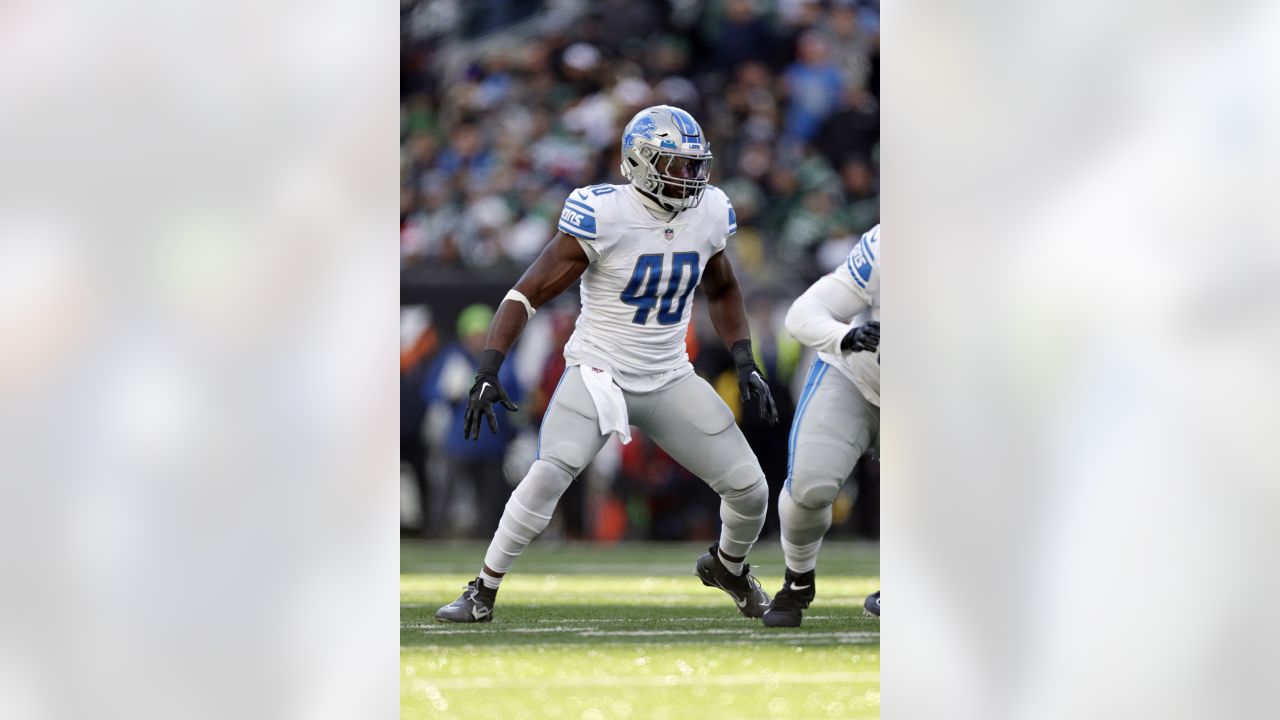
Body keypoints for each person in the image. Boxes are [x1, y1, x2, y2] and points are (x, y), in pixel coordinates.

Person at [436, 105, 780, 623]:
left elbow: (724, 287)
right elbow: (525, 293)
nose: (691, 178)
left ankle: (728, 567)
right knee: (549, 474)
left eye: (694, 165)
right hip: (600, 375)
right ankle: (482, 589)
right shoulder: (604, 214)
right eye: (676, 165)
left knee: (752, 490)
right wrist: (488, 367)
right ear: (640, 163)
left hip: (670, 377)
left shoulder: (708, 212)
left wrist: (744, 358)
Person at [762, 223, 880, 628]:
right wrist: (846, 336)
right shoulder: (887, 245)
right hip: (858, 378)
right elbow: (803, 314)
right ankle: (797, 579)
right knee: (811, 486)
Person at [421, 304, 523, 538]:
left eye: (483, 334)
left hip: (493, 443)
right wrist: (448, 392)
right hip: (458, 442)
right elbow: (430, 392)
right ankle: (434, 537)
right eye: (473, 335)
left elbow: (516, 398)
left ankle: (487, 541)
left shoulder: (504, 361)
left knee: (490, 499)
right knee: (444, 495)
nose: (478, 340)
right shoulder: (452, 358)